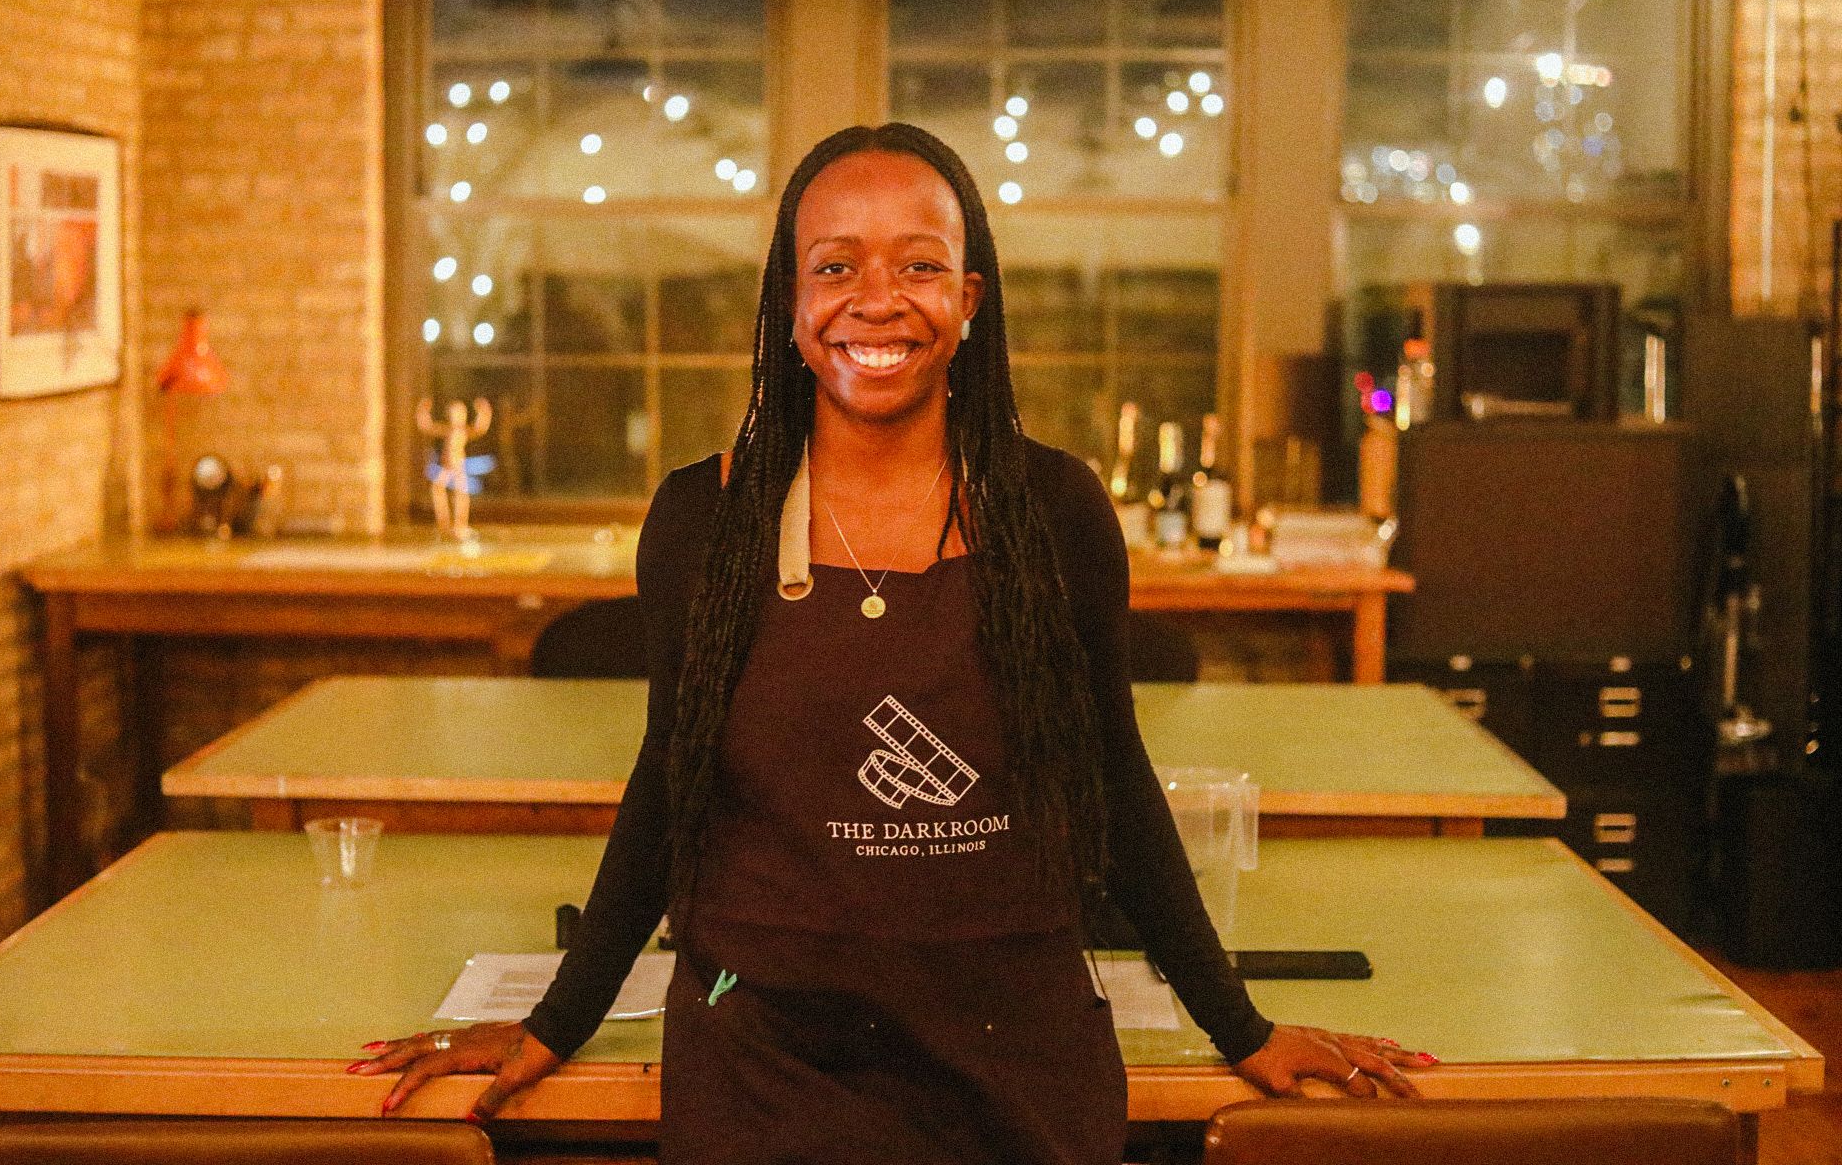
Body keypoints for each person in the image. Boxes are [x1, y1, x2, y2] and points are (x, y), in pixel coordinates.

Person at [351, 124, 1433, 1160]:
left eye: (919, 265)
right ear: (789, 302)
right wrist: (556, 1019)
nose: (877, 300)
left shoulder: (1054, 513)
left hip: (1012, 1062)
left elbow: (1114, 776)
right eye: (835, 268)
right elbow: (667, 785)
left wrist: (1241, 1026)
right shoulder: (704, 520)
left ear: (967, 299)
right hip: (767, 1070)